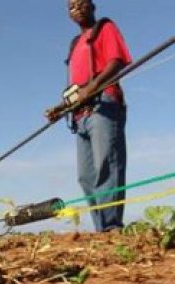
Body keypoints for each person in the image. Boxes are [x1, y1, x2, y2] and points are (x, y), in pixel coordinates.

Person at [46, 0, 132, 232]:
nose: (77, 9)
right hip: (79, 114)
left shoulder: (105, 28)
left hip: (103, 104)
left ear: (93, 6)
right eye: (71, 7)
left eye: (82, 3)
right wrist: (60, 108)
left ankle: (112, 226)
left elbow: (117, 62)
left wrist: (91, 88)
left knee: (107, 164)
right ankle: (101, 229)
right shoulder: (75, 44)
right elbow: (75, 88)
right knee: (85, 176)